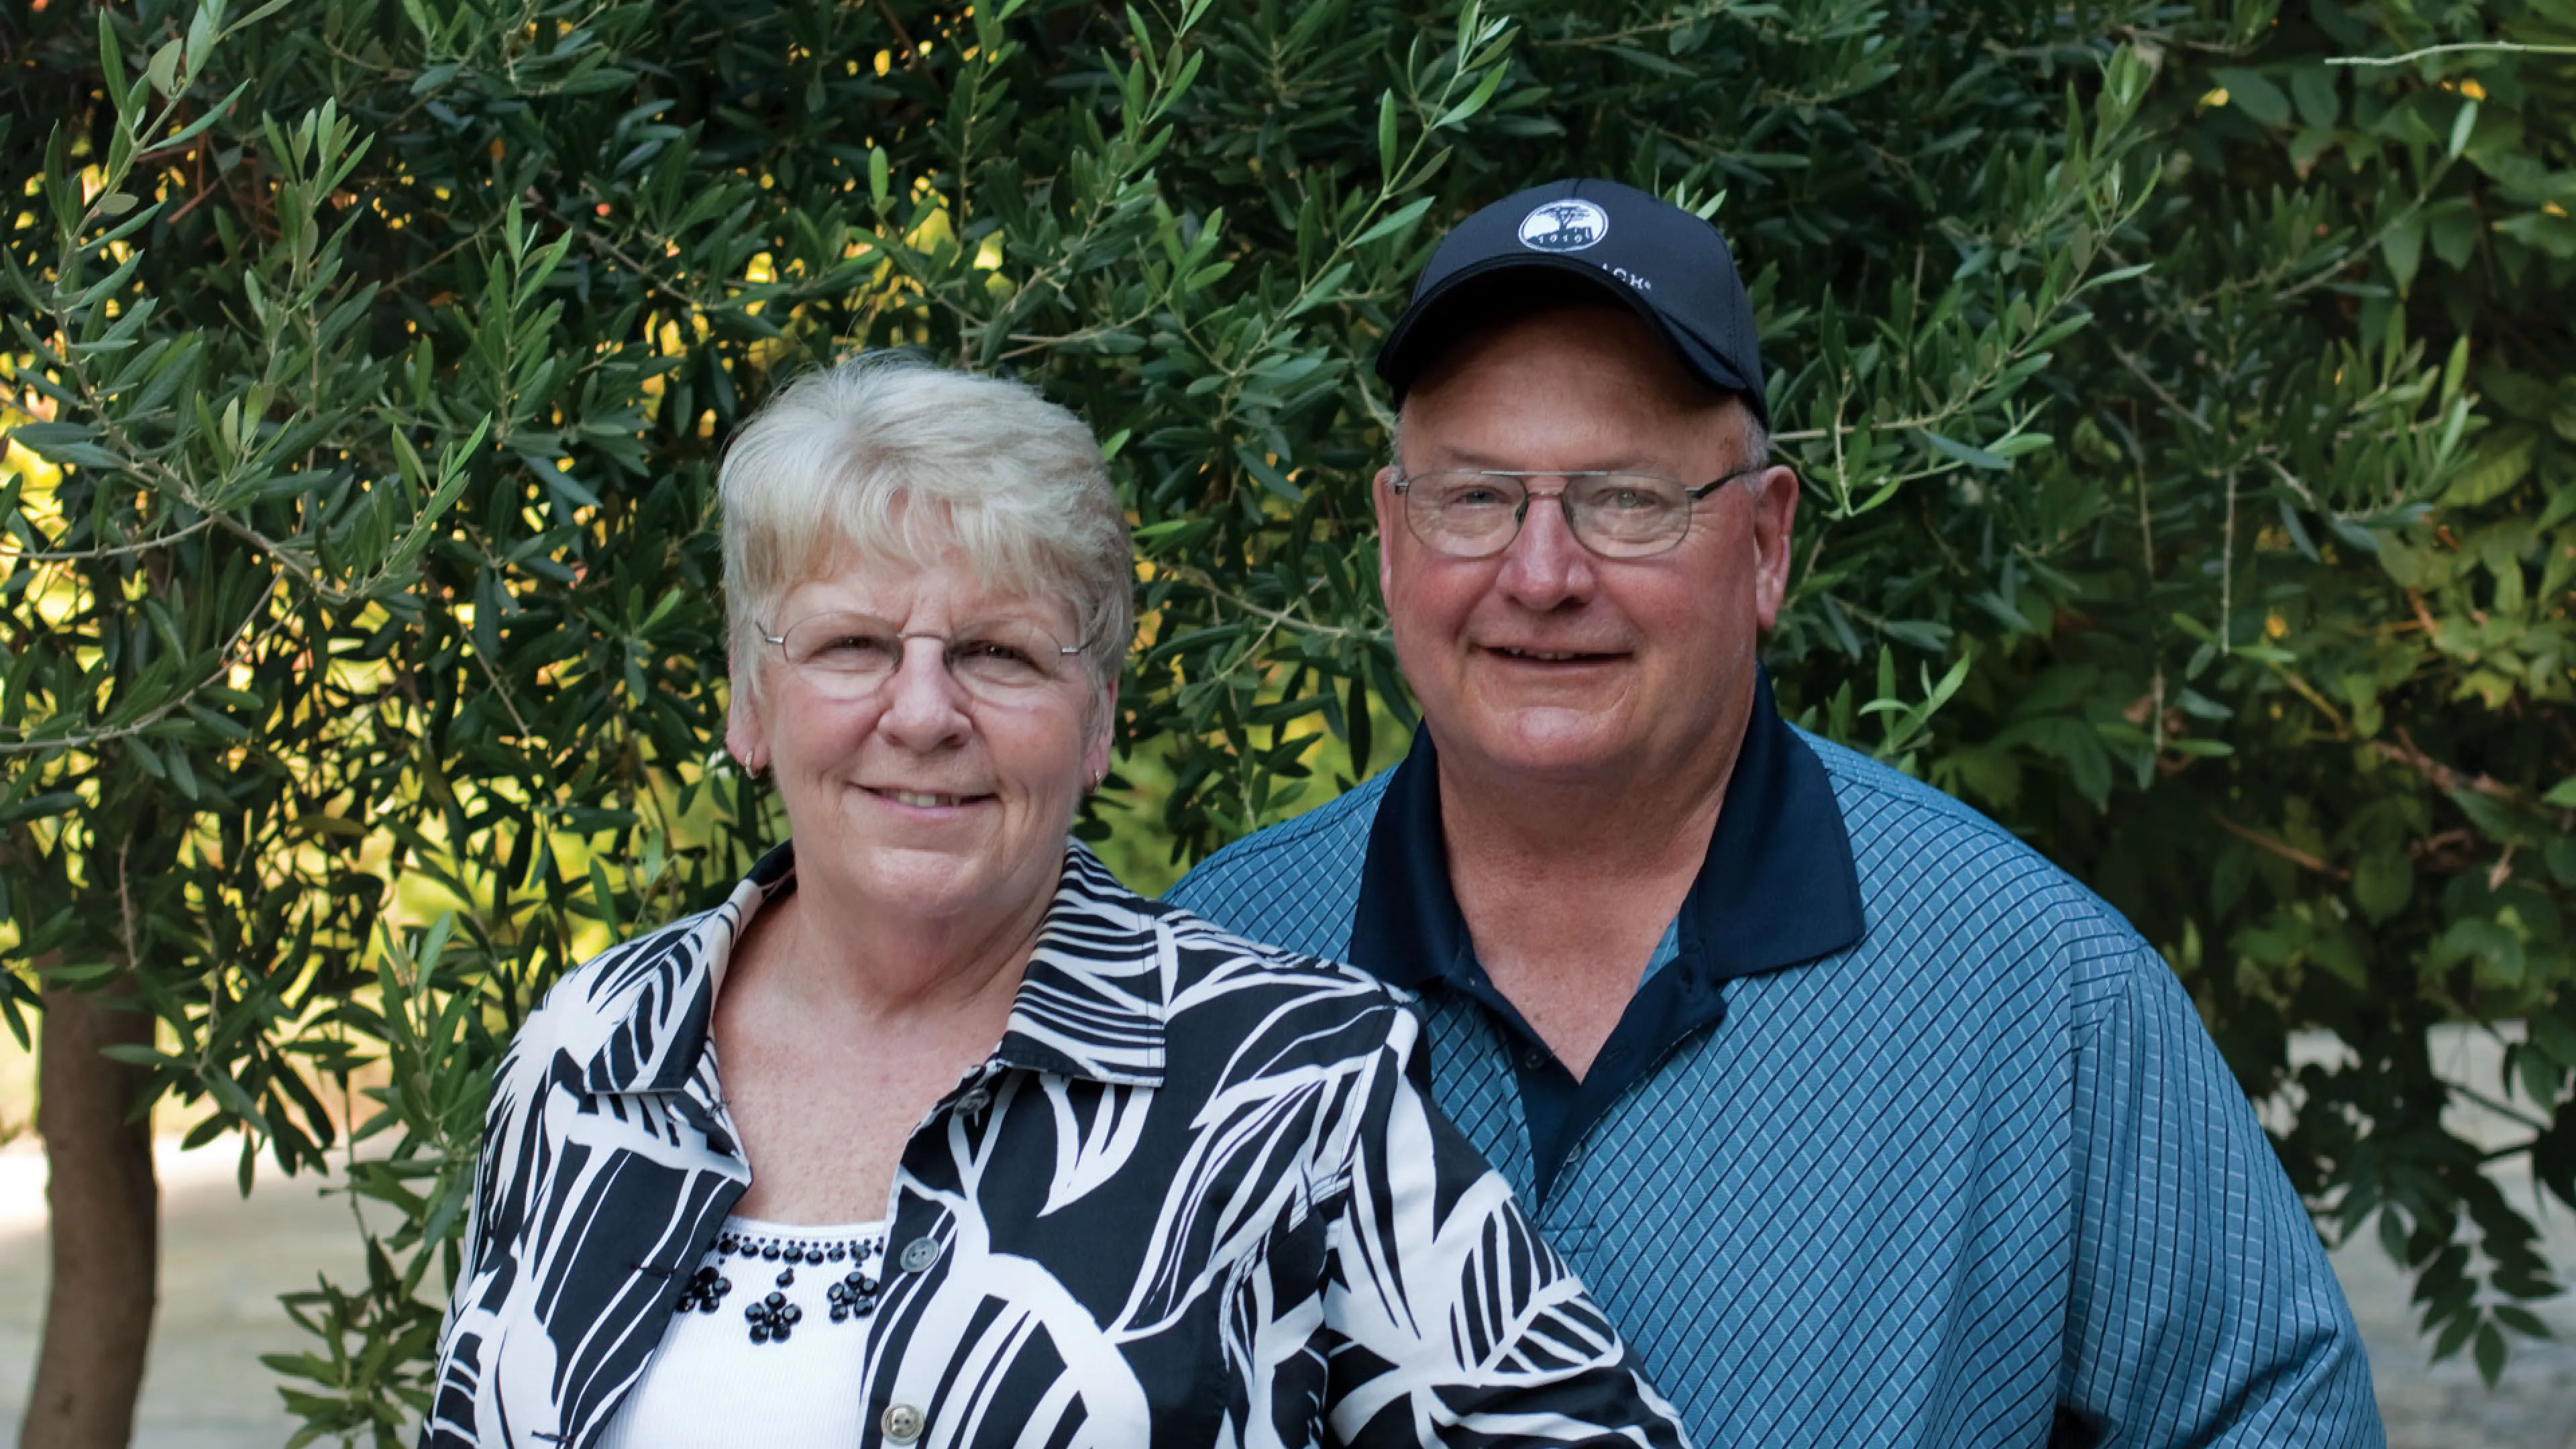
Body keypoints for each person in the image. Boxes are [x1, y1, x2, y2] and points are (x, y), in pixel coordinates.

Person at [1169, 179, 2384, 1446]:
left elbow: (2278, 1417)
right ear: (1387, 539)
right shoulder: (1216, 973)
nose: (1541, 575)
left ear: (1765, 544)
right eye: (1475, 497)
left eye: (1627, 499)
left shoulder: (2035, 987)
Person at [420, 355, 1690, 1448]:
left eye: (1000, 654)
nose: (922, 714)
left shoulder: (1284, 1088)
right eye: (854, 646)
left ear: (1097, 725)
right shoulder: (590, 1051)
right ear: (753, 704)